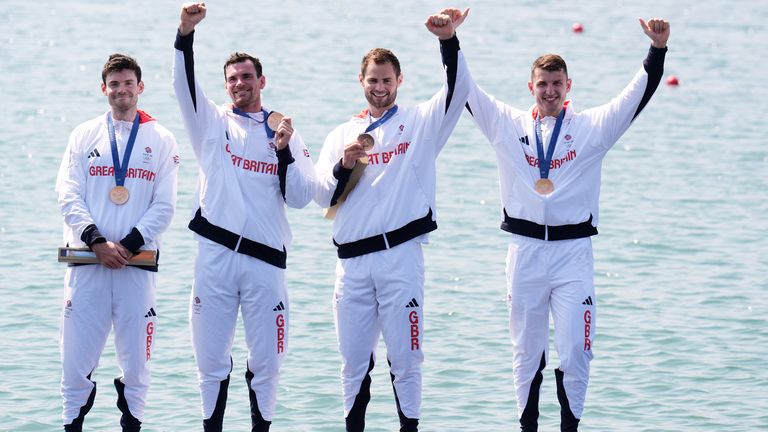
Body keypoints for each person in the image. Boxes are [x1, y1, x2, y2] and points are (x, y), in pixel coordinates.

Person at [465, 17, 671, 432]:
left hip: (573, 255)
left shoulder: (592, 128)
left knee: (577, 350)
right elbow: (465, 91)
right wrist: (449, 41)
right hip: (524, 253)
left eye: (557, 83)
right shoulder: (507, 125)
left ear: (568, 87)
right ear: (531, 87)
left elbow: (637, 95)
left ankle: (570, 427)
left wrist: (658, 49)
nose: (550, 91)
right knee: (526, 353)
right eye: (542, 83)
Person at [313, 8, 470, 432]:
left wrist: (448, 41)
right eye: (372, 80)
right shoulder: (339, 135)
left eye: (387, 80)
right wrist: (344, 165)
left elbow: (459, 90)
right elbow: (321, 197)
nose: (379, 88)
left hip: (400, 258)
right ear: (360, 83)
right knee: (352, 363)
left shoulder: (419, 123)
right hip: (351, 264)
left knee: (406, 359)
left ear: (399, 82)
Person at [172, 3, 316, 431]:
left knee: (268, 363)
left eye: (247, 77)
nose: (239, 84)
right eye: (232, 78)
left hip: (265, 262)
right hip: (215, 258)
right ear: (225, 85)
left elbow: (302, 197)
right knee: (211, 362)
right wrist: (184, 34)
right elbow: (182, 85)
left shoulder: (284, 129)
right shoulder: (211, 124)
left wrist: (285, 149)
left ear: (262, 81)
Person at [56, 53, 180, 431]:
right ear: (103, 89)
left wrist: (125, 245)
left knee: (138, 367)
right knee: (74, 365)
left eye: (128, 83)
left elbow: (166, 204)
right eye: (114, 84)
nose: (121, 90)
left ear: (140, 87)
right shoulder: (83, 134)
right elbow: (67, 193)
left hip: (135, 266)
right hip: (88, 264)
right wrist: (96, 241)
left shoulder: (160, 138)